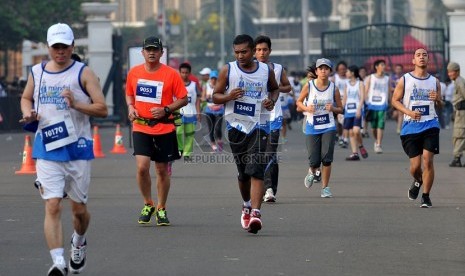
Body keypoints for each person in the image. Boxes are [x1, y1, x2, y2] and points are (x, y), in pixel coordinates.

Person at [20, 23, 108, 275]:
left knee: (79, 211)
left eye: (64, 46)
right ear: (48, 47)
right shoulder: (37, 72)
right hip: (47, 145)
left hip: (77, 149)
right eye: (55, 47)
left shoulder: (84, 73)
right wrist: (29, 113)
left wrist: (78, 104)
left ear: (72, 46)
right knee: (53, 204)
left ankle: (78, 241)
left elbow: (102, 109)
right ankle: (58, 262)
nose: (60, 51)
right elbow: (26, 97)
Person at [213, 34, 279, 234]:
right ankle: (247, 205)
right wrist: (228, 96)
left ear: (252, 51)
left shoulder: (265, 70)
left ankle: (256, 214)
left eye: (244, 52)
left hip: (259, 125)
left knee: (256, 168)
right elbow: (215, 96)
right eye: (237, 52)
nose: (240, 56)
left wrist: (271, 100)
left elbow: (274, 90)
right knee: (243, 174)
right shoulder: (228, 70)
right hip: (236, 127)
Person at [126, 36, 188, 227]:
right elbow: (129, 93)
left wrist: (166, 109)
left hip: (164, 126)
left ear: (161, 53)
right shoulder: (134, 73)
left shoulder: (171, 74)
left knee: (161, 170)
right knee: (142, 167)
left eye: (155, 50)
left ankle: (161, 207)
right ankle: (148, 204)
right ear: (142, 52)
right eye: (148, 50)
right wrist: (131, 107)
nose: (151, 53)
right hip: (141, 126)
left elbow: (184, 98)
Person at [391, 48, 442, 208]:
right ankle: (418, 180)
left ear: (428, 60)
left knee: (428, 161)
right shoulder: (405, 80)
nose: (421, 57)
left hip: (430, 124)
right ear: (413, 60)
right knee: (415, 167)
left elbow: (440, 105)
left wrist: (439, 99)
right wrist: (409, 112)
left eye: (424, 55)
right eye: (418, 55)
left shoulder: (435, 81)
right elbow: (394, 100)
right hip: (410, 127)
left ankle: (426, 196)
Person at [296, 58, 343, 198]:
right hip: (312, 127)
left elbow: (341, 108)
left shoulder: (334, 87)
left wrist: (333, 108)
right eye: (320, 68)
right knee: (314, 161)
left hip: (328, 126)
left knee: (327, 159)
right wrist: (307, 108)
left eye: (326, 68)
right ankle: (312, 171)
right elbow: (298, 102)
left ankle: (325, 188)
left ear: (330, 71)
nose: (323, 71)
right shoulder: (309, 86)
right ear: (316, 71)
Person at [253, 35, 292, 203]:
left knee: (270, 152)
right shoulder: (248, 70)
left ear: (270, 51)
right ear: (254, 52)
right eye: (259, 50)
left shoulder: (277, 68)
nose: (262, 53)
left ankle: (268, 189)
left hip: (273, 116)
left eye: (265, 50)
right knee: (259, 154)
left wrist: (274, 88)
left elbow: (288, 86)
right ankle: (263, 186)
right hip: (254, 118)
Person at [342, 65, 368, 160]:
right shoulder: (346, 84)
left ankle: (360, 145)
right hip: (348, 111)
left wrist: (359, 109)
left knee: (356, 131)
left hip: (357, 110)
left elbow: (362, 98)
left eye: (347, 71)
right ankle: (355, 153)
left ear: (352, 72)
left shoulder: (360, 83)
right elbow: (345, 98)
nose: (346, 73)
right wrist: (341, 110)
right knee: (351, 132)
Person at [177, 62, 201, 161]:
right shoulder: (176, 84)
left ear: (189, 73)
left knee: (189, 134)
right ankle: (180, 148)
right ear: (180, 73)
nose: (184, 74)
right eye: (182, 72)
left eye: (186, 72)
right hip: (179, 113)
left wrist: (198, 112)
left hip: (191, 113)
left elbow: (198, 100)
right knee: (178, 132)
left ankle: (187, 153)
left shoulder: (194, 85)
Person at [365, 59, 390, 153]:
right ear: (376, 67)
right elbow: (366, 90)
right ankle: (376, 140)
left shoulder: (387, 78)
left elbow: (388, 91)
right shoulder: (370, 78)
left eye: (384, 65)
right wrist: (364, 102)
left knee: (381, 124)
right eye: (382, 65)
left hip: (383, 104)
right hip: (371, 104)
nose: (384, 67)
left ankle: (379, 144)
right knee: (373, 127)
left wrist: (391, 102)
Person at [447, 62, 465, 167]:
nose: (449, 74)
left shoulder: (459, 81)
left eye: (451, 71)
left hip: (462, 113)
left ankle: (457, 158)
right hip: (460, 112)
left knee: (459, 135)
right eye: (448, 72)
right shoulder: (458, 81)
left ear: (457, 71)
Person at [201, 70, 224, 151]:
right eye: (212, 78)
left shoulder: (220, 86)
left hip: (219, 109)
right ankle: (213, 145)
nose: (213, 80)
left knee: (218, 127)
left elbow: (223, 96)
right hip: (209, 110)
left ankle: (220, 141)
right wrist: (206, 98)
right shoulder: (206, 86)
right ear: (210, 79)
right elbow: (202, 98)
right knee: (211, 128)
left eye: (215, 78)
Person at [332, 61, 349, 148]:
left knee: (345, 121)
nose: (342, 71)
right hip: (337, 102)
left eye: (344, 69)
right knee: (339, 122)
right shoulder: (334, 78)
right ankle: (340, 136)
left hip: (348, 102)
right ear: (337, 70)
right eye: (340, 69)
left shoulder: (349, 78)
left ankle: (344, 138)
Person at [390, 64, 404, 134]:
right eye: (397, 69)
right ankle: (399, 123)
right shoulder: (392, 78)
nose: (398, 70)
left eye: (399, 69)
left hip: (402, 99)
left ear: (401, 70)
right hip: (395, 98)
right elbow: (390, 88)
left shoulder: (404, 78)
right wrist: (396, 89)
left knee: (400, 113)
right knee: (395, 115)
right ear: (395, 70)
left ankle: (399, 128)